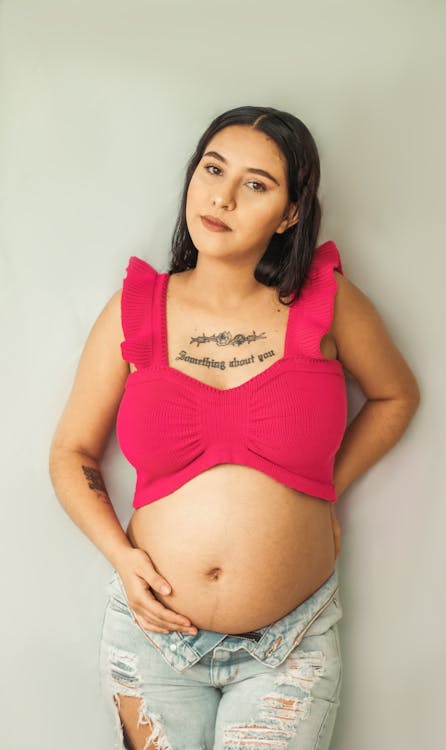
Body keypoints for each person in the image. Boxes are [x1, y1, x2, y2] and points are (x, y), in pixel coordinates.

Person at [48, 105, 420, 750]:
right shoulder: (136, 310)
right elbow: (71, 452)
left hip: (290, 641)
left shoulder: (325, 302)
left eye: (256, 184)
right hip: (154, 637)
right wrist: (123, 559)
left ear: (290, 213)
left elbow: (395, 395)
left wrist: (327, 486)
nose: (221, 195)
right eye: (212, 169)